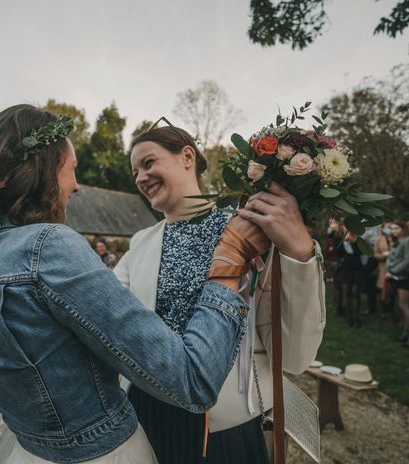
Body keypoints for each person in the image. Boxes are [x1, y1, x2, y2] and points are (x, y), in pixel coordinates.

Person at [0, 104, 269, 464]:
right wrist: (229, 262)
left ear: (188, 157)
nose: (76, 185)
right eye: (72, 170)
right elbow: (192, 379)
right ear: (46, 168)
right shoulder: (52, 244)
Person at [113, 123, 324, 463]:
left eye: (149, 163)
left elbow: (294, 353)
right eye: (135, 171)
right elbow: (111, 319)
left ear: (186, 156)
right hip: (147, 415)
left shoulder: (248, 227)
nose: (140, 177)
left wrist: (300, 254)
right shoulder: (139, 243)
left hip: (227, 425)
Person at [386, 220, 409, 347]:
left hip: (408, 276)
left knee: (405, 306)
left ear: (404, 229)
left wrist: (393, 271)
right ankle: (405, 334)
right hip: (399, 276)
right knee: (402, 305)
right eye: (393, 229)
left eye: (397, 229)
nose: (394, 231)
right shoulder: (397, 241)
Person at [336, 230, 364, 327]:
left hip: (357, 270)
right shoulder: (341, 240)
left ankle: (356, 317)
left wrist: (354, 242)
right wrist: (344, 242)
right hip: (345, 270)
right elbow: (337, 252)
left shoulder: (358, 240)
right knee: (346, 293)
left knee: (355, 293)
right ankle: (349, 317)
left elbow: (361, 252)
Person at [374, 222, 394, 321]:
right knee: (382, 289)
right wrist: (382, 256)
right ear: (382, 228)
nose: (389, 229)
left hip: (395, 268)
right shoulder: (379, 239)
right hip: (383, 267)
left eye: (391, 227)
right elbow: (375, 254)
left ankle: (391, 311)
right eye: (387, 227)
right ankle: (384, 311)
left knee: (392, 290)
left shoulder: (396, 238)